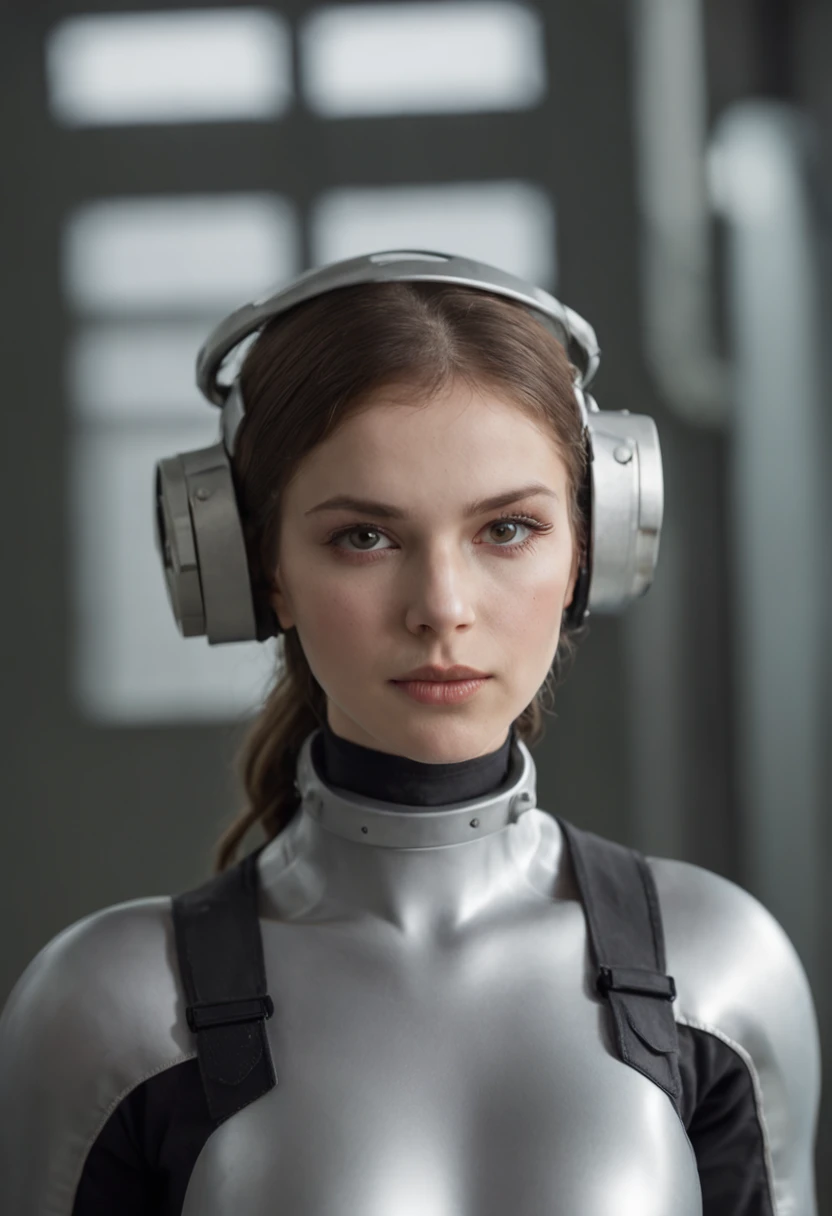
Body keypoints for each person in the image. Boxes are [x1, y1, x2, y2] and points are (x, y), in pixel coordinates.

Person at [0, 252, 820, 1215]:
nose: (442, 608)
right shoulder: (108, 1009)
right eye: (365, 536)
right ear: (256, 569)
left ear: (591, 554)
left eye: (507, 529)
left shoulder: (718, 968)